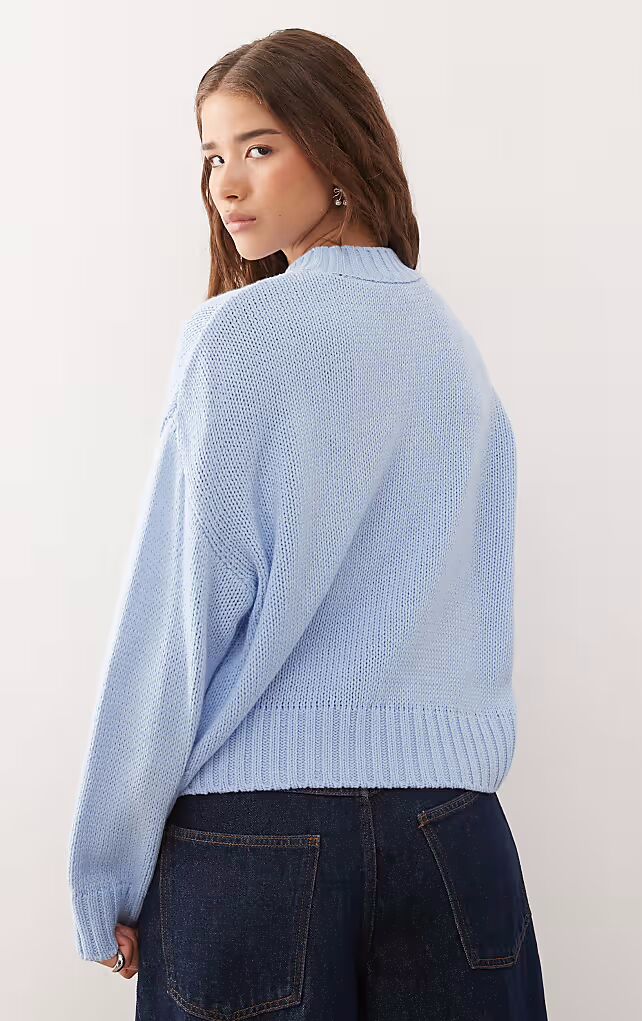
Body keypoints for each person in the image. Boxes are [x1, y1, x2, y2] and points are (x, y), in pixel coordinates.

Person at [67, 26, 549, 1019]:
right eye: (212, 156)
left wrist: (105, 865)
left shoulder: (236, 339)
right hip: (454, 840)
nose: (227, 185)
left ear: (337, 148)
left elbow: (176, 623)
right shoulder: (453, 351)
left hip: (255, 848)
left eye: (259, 147)